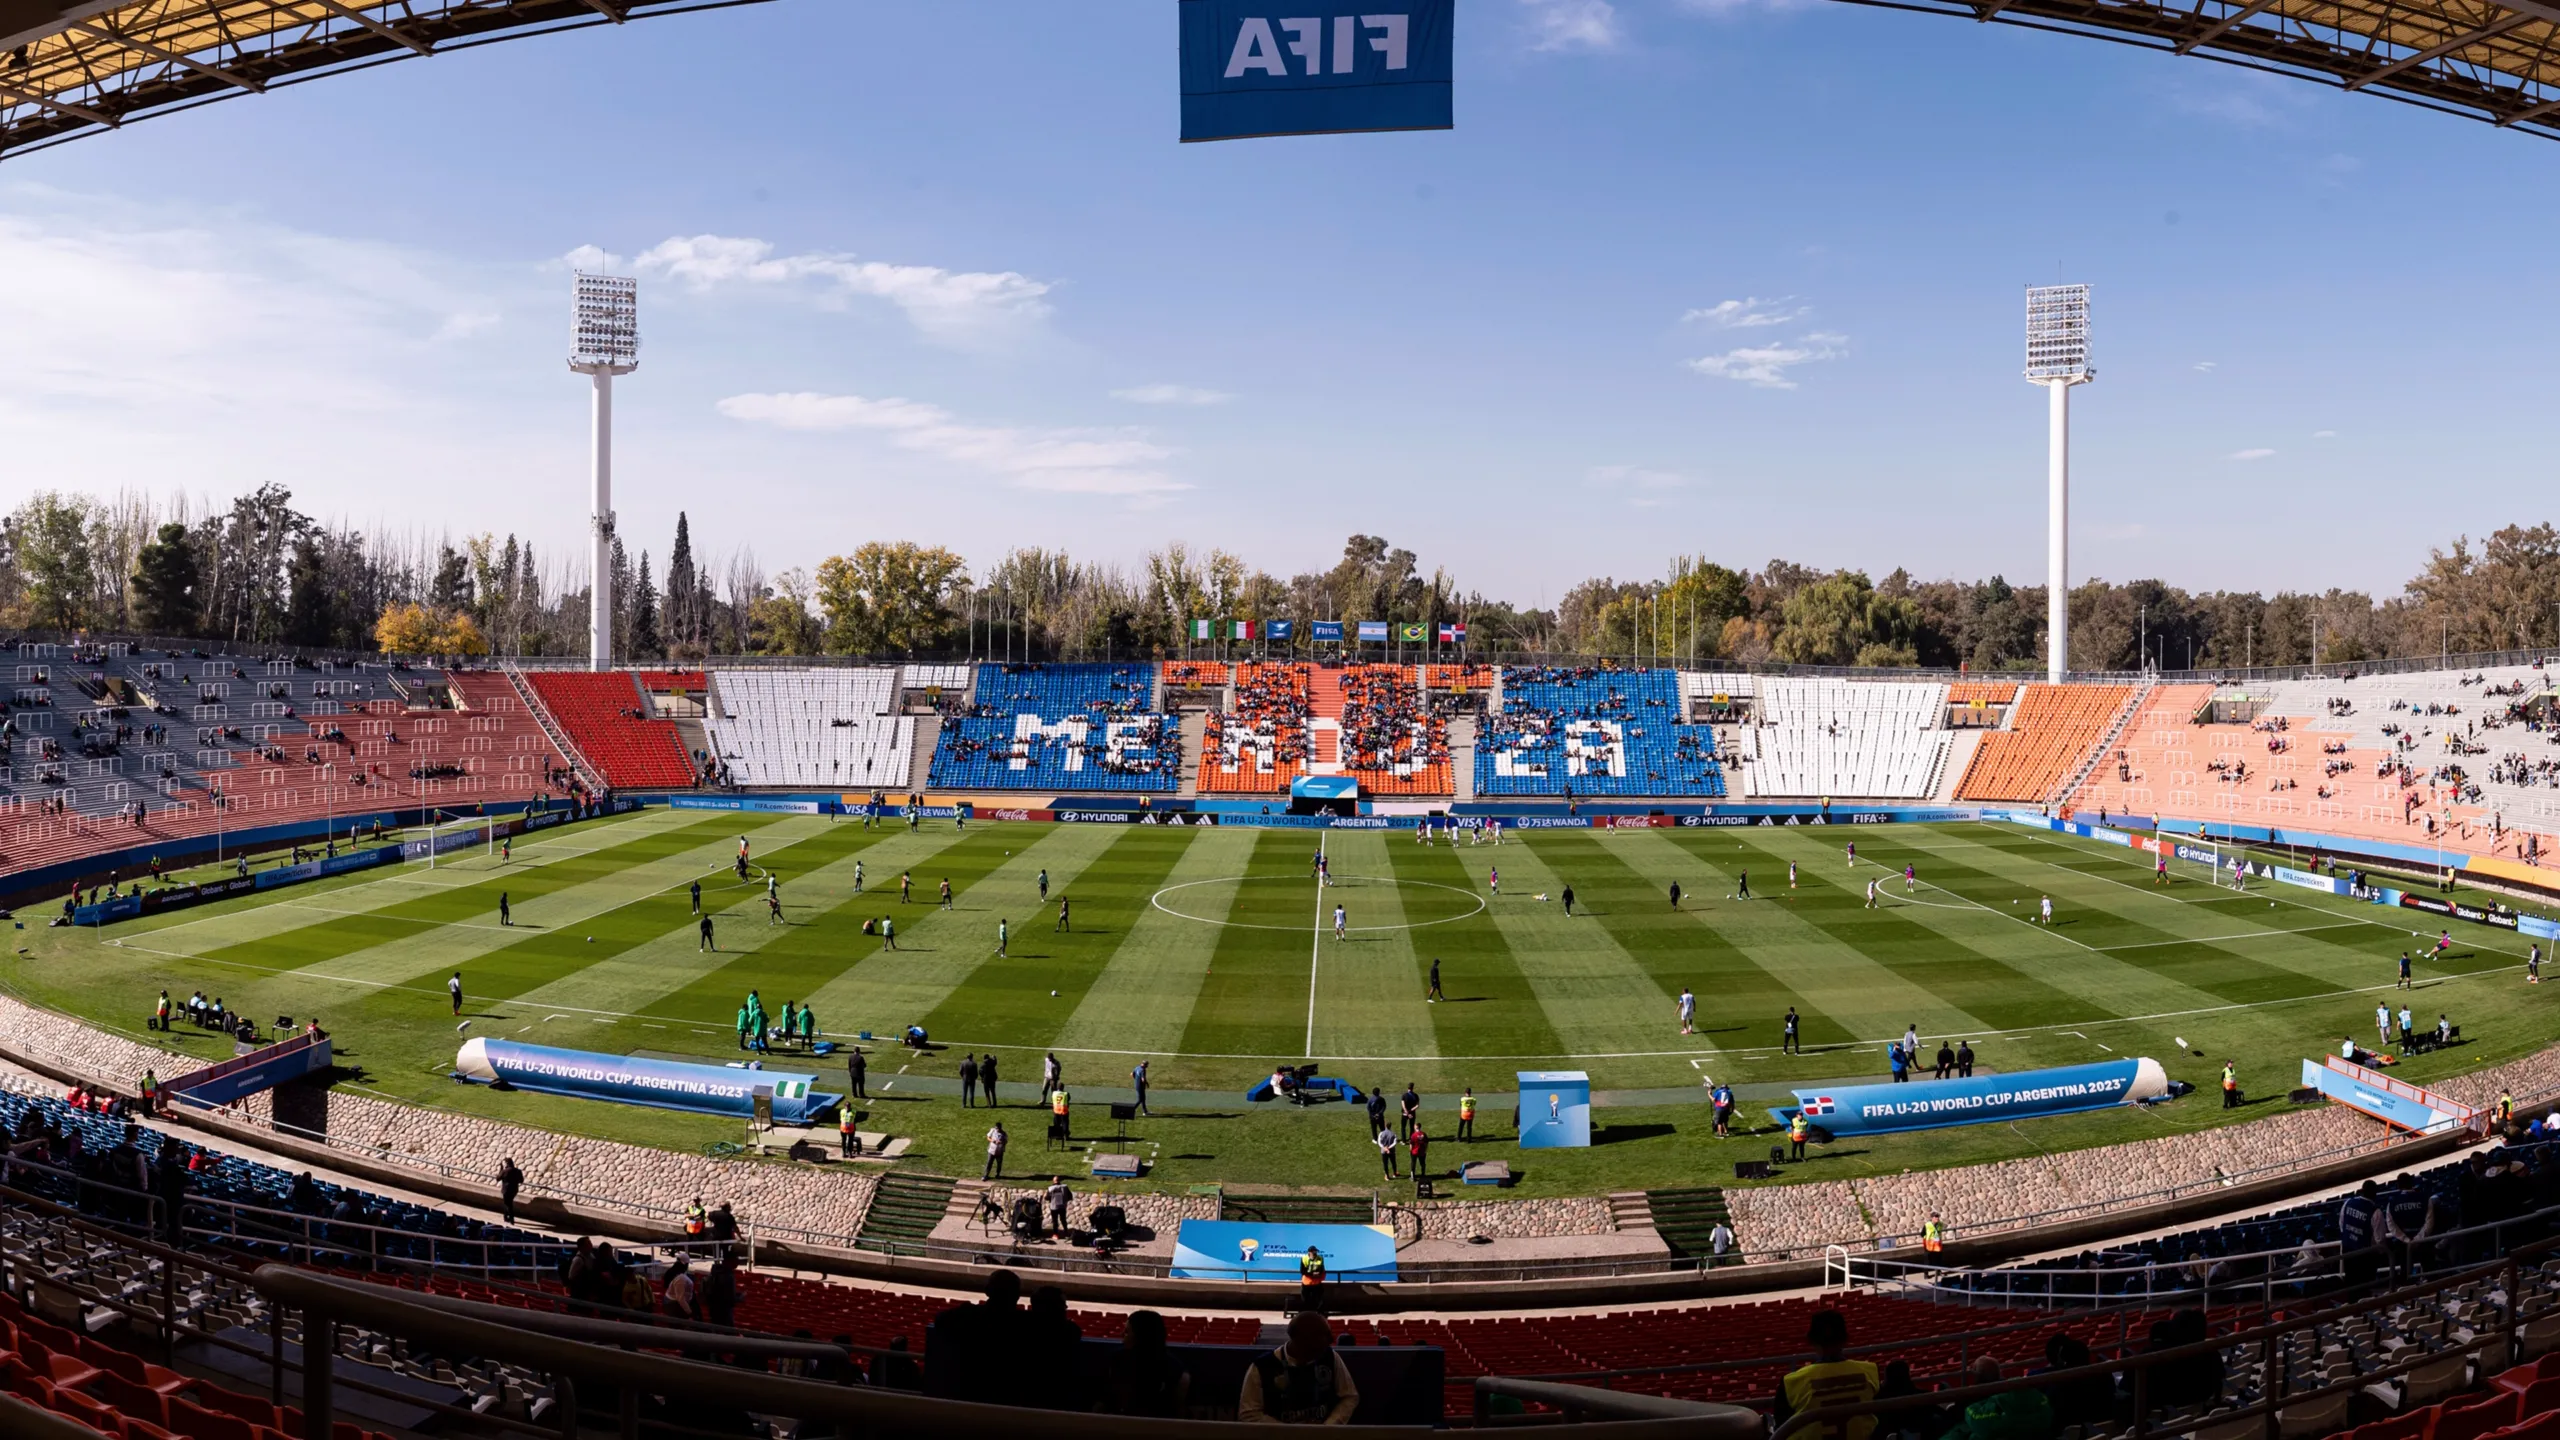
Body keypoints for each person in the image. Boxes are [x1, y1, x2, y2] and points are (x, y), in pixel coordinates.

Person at [1773, 1309, 1880, 1440]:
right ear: (1845, 1338)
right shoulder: (1870, 1372)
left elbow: (1781, 1427)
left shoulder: (1792, 1382)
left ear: (1812, 1340)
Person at [1238, 1310, 1359, 1425]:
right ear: (1301, 1343)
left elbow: (1349, 1396)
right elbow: (1249, 1414)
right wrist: (1290, 1433)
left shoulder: (1330, 1356)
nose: (1324, 1349)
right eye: (1317, 1346)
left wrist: (1328, 1427)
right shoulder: (1262, 1367)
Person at [1102, 1310, 1190, 1418]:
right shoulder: (1175, 1367)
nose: (1121, 1335)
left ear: (1139, 1336)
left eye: (1127, 1332)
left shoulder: (1117, 1361)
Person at [497, 1157, 523, 1225]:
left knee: (508, 1204)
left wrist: (501, 1169)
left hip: (506, 1190)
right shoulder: (518, 1171)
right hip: (514, 1190)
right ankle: (506, 1217)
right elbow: (521, 1180)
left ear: (507, 1163)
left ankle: (511, 1219)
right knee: (508, 1203)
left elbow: (498, 1178)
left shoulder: (504, 1171)